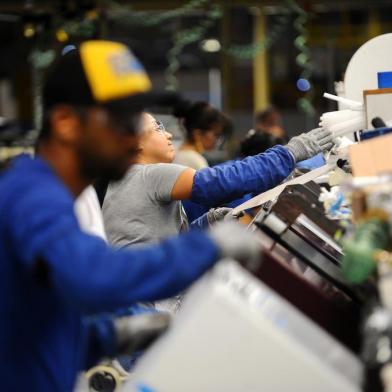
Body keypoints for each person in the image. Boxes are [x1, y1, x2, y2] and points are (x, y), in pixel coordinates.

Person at [0, 40, 261, 392]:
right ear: (65, 122)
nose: (132, 137)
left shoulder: (62, 196)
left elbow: (36, 321)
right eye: (121, 121)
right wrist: (204, 248)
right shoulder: (33, 196)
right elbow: (92, 277)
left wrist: (106, 337)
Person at [103, 111, 333, 250]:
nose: (169, 134)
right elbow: (221, 182)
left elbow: (163, 240)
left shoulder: (128, 180)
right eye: (157, 128)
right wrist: (290, 153)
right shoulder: (148, 174)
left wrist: (207, 222)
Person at [174, 100, 229, 169]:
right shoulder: (195, 161)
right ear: (198, 134)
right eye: (216, 135)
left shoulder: (177, 153)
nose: (217, 140)